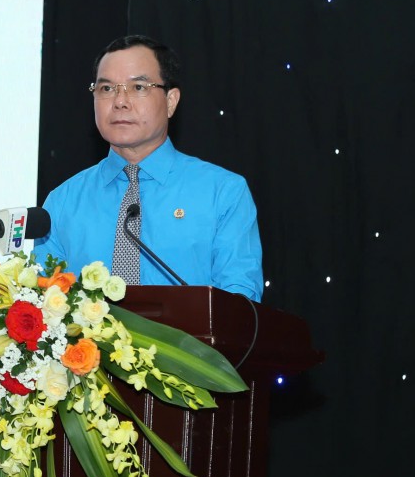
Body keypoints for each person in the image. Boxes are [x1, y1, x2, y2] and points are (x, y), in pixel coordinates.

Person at [33, 35, 264, 300]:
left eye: (138, 87)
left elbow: (240, 304)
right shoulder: (62, 202)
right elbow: (43, 303)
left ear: (171, 101)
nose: (120, 101)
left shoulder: (223, 193)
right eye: (106, 88)